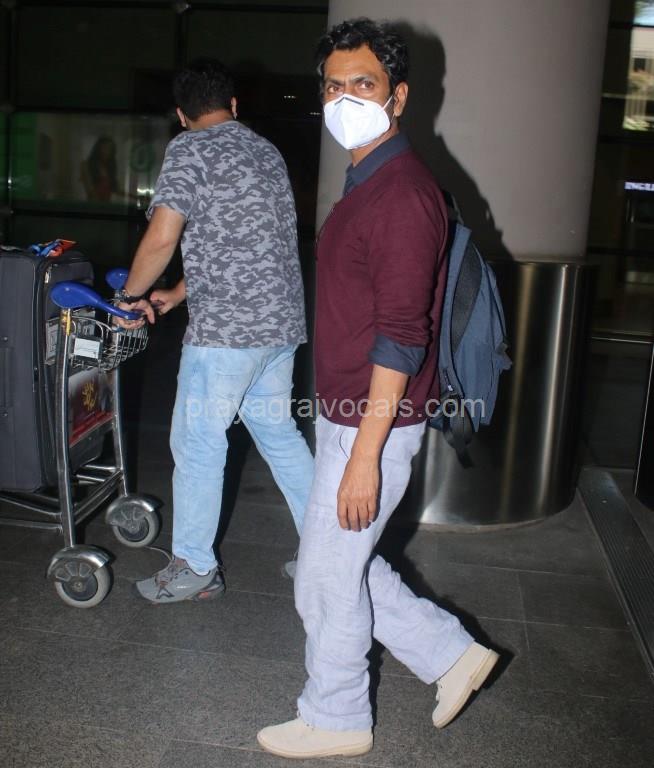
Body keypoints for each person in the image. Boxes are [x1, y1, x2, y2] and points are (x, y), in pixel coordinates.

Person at [257, 19, 499, 759]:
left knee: (324, 578)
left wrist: (365, 454)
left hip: (373, 420)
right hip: (350, 413)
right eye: (333, 86)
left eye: (362, 84)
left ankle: (337, 717)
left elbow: (401, 335)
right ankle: (451, 656)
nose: (344, 99)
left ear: (398, 96)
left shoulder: (402, 193)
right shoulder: (370, 179)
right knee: (340, 563)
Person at [115, 57, 314, 603]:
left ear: (182, 115)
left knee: (198, 442)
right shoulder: (265, 151)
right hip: (280, 326)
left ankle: (196, 567)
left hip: (226, 334)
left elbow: (163, 236)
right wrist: (179, 292)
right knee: (280, 436)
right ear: (233, 105)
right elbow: (245, 238)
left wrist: (129, 298)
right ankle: (326, 555)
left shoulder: (190, 148)